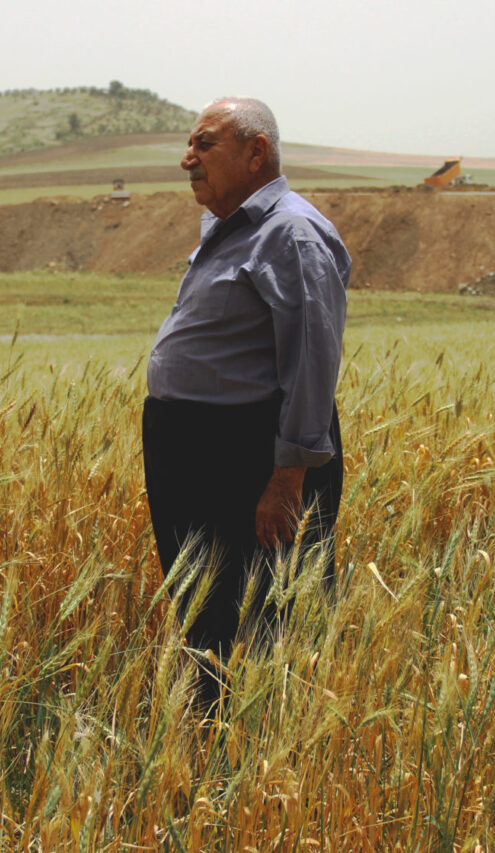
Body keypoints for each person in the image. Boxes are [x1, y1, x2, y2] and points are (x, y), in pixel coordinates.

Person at [142, 97, 349, 707]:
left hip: (249, 452)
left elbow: (313, 361)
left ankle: (268, 751)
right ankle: (209, 736)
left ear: (255, 151)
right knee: (202, 603)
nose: (187, 159)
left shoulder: (292, 231)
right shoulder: (229, 228)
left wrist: (288, 481)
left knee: (266, 608)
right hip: (193, 449)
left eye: (205, 144)